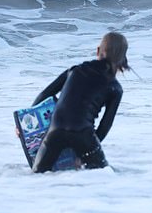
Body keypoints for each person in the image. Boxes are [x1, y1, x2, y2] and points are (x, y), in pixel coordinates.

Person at [30, 32, 129, 173]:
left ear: (97, 50)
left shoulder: (75, 71)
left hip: (55, 131)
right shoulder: (115, 88)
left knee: (37, 174)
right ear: (122, 59)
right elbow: (105, 125)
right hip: (83, 135)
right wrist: (87, 151)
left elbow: (45, 94)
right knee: (105, 175)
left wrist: (26, 121)